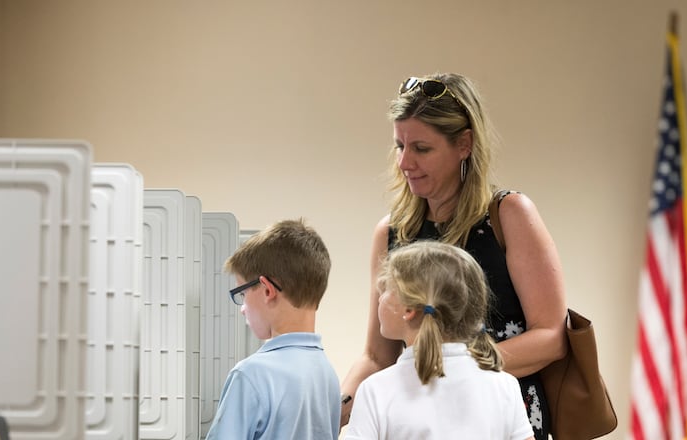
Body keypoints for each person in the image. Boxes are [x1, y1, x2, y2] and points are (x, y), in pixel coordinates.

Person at [340, 73, 568, 440]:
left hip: (501, 415)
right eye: (400, 146)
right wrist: (331, 412)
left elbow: (552, 337)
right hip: (417, 413)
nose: (404, 162)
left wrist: (457, 375)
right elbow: (376, 357)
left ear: (464, 144)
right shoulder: (390, 233)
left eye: (421, 148)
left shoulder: (508, 215)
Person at [343, 241, 534, 440]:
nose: (380, 299)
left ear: (409, 310)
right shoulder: (504, 386)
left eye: (387, 290)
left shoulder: (377, 390)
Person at [205, 218, 341, 440]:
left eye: (242, 294)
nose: (243, 309)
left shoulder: (250, 375)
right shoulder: (327, 374)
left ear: (267, 290)